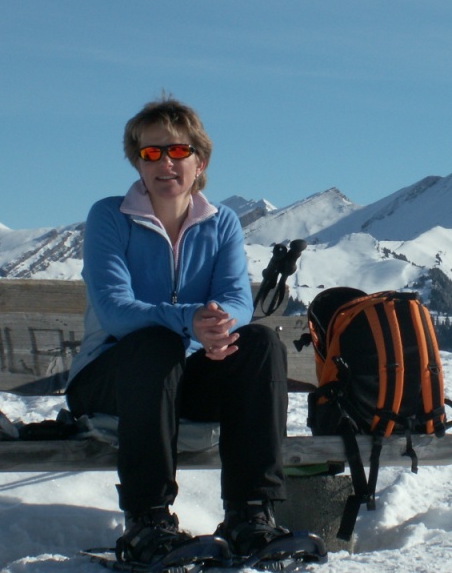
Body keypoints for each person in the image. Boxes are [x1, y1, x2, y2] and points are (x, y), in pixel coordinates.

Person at [66, 96, 289, 565]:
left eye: (177, 151)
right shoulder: (110, 217)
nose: (164, 163)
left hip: (181, 379)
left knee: (259, 343)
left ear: (199, 161)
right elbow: (116, 311)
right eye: (151, 153)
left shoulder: (221, 223)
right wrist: (188, 320)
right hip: (111, 380)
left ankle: (251, 514)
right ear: (138, 163)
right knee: (156, 341)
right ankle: (148, 520)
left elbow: (237, 301)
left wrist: (218, 329)